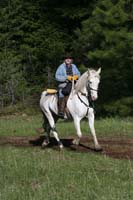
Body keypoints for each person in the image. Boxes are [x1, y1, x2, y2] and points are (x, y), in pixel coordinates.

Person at [55, 53, 80, 118]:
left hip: (73, 84)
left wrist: (76, 77)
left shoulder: (74, 66)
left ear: (71, 60)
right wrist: (66, 77)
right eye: (66, 58)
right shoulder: (61, 67)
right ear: (64, 60)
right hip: (64, 84)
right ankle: (61, 111)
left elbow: (78, 74)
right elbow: (57, 76)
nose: (68, 59)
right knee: (62, 93)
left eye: (69, 58)